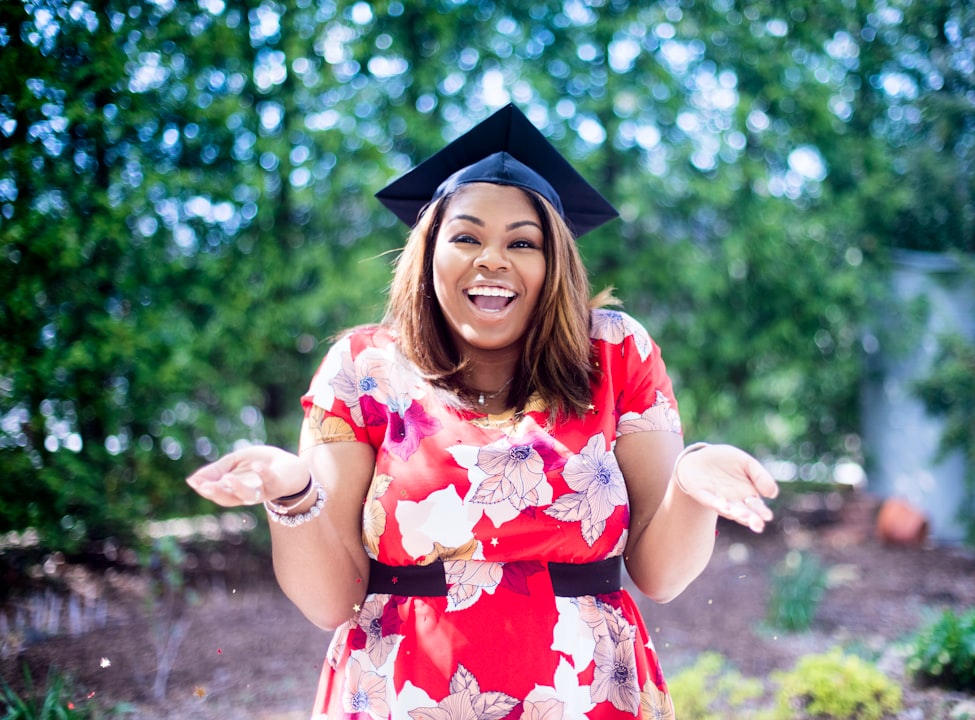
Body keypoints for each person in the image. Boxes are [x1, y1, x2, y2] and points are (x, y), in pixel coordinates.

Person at [186, 103, 779, 720]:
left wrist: (691, 482)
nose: (492, 258)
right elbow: (329, 600)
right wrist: (292, 492)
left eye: (523, 242)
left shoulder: (616, 353)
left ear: (555, 265)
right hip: (403, 695)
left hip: (585, 695)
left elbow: (661, 575)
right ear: (428, 252)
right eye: (466, 236)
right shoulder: (362, 370)